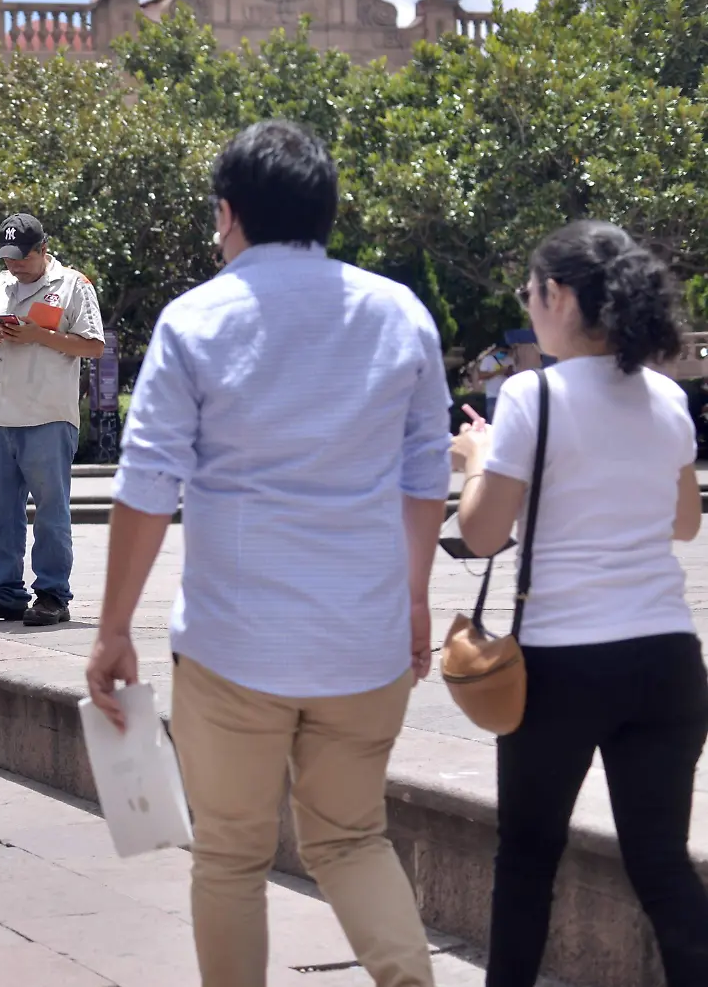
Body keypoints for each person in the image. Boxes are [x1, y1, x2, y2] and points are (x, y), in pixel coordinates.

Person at [86, 121, 449, 987]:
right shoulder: (398, 311)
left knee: (231, 860)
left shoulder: (197, 320)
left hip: (233, 646)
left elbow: (146, 488)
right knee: (354, 840)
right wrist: (414, 597)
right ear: (326, 212)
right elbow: (427, 472)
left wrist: (112, 630)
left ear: (228, 214)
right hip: (364, 644)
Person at [451, 221, 708, 986]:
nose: (529, 306)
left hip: (562, 665)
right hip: (667, 660)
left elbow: (484, 533)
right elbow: (686, 521)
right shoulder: (666, 396)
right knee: (660, 863)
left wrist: (474, 459)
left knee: (528, 859)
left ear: (558, 295)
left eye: (530, 292)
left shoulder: (533, 395)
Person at [0, 211, 105, 627]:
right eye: (7, 258)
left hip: (47, 415)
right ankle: (5, 593)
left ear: (43, 249)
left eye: (22, 257)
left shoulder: (73, 284)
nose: (15, 266)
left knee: (51, 511)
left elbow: (94, 347)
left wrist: (38, 335)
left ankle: (53, 595)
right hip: (0, 415)